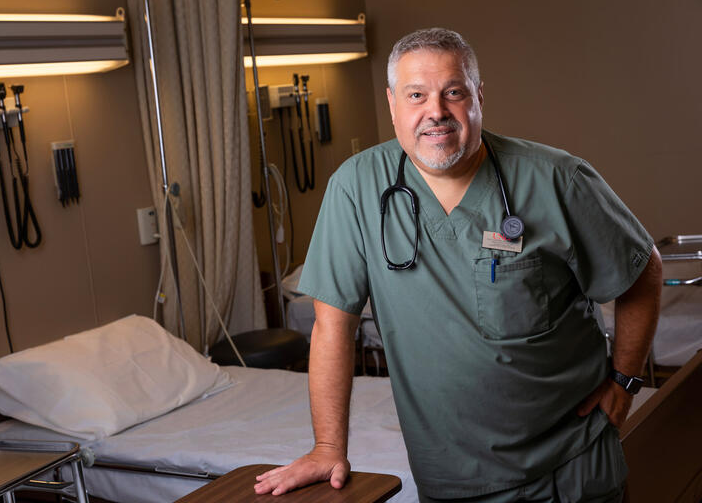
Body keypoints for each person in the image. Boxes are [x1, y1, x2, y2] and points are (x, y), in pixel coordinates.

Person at [254, 28, 662, 502]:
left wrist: (625, 380)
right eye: (416, 95)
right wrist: (328, 447)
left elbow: (642, 269)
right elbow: (332, 325)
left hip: (570, 469)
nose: (436, 112)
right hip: (452, 480)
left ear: (478, 97)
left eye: (453, 92)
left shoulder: (555, 179)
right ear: (392, 105)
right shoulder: (357, 187)